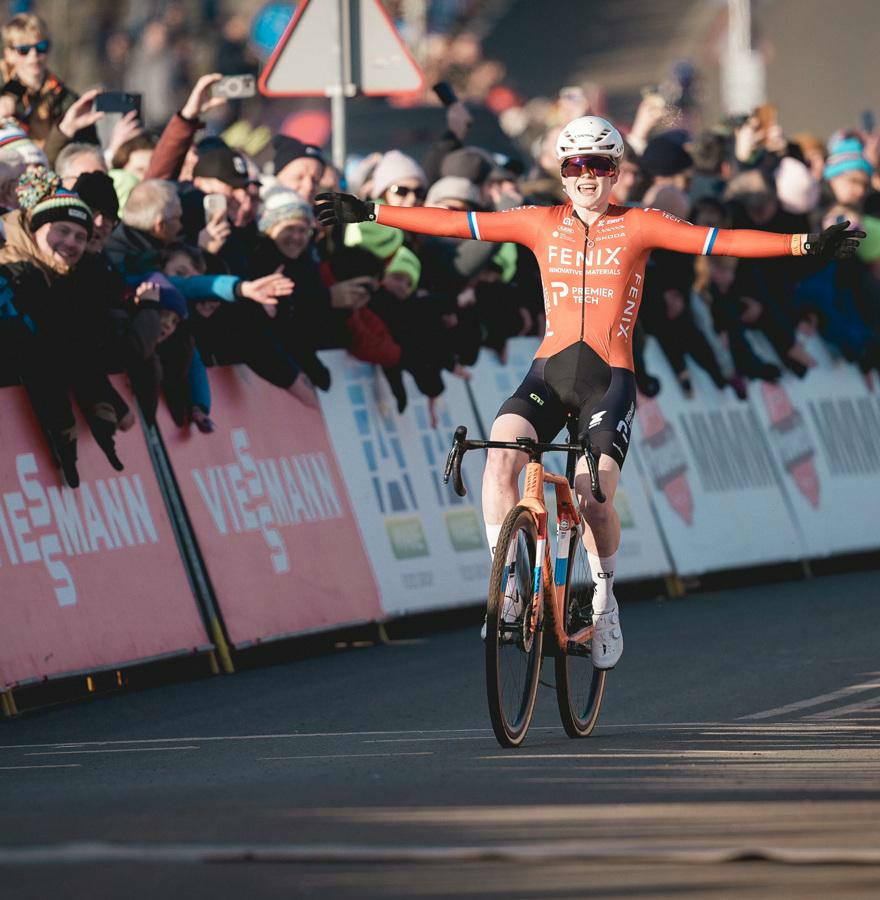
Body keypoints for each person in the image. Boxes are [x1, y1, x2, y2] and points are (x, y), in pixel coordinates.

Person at [316, 115, 865, 669]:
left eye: (598, 166)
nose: (587, 176)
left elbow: (718, 241)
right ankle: (508, 589)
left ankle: (604, 601)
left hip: (609, 381)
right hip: (546, 376)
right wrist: (372, 211)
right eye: (576, 165)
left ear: (616, 172)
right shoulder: (538, 222)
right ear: (561, 171)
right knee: (500, 457)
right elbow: (459, 225)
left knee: (589, 494)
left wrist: (808, 244)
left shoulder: (640, 224)